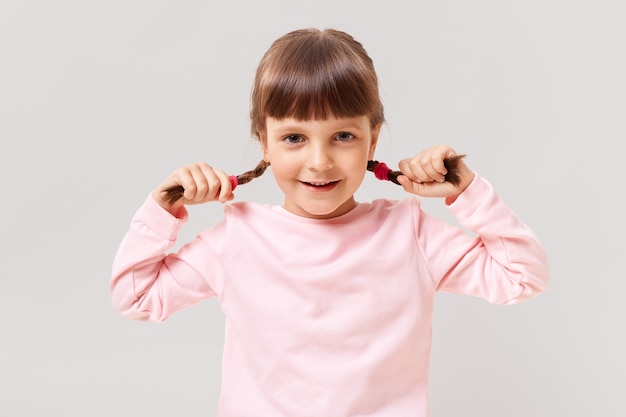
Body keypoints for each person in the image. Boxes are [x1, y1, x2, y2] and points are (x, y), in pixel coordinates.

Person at [110, 28, 549, 417]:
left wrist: (466, 191)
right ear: (264, 142)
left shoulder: (409, 234)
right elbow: (137, 297)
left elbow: (522, 277)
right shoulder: (238, 239)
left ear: (372, 138)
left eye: (343, 136)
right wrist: (163, 208)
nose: (319, 161)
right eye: (294, 138)